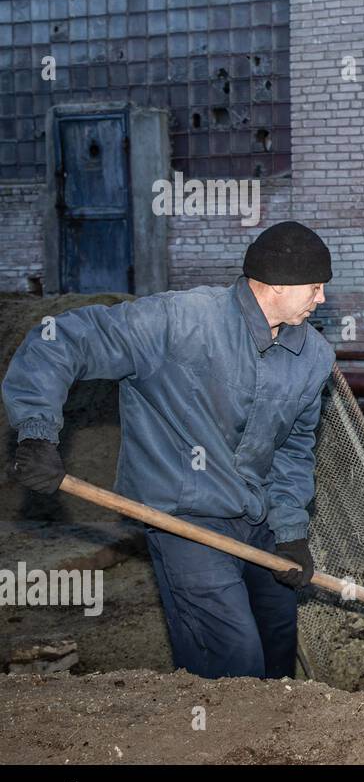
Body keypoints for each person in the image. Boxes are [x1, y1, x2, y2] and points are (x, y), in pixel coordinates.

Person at [4, 221, 336, 677]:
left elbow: (294, 449)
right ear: (276, 284)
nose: (322, 299)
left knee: (277, 641)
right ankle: (214, 741)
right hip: (184, 515)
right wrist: (37, 430)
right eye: (315, 287)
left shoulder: (314, 356)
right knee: (231, 657)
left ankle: (268, 747)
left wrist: (291, 531)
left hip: (257, 516)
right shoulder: (181, 321)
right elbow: (61, 339)